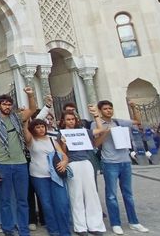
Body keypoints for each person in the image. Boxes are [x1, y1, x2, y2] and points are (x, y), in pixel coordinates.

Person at [92, 100, 149, 235]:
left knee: (128, 194)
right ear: (100, 111)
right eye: (105, 109)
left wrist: (133, 107)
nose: (108, 111)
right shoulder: (97, 124)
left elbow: (137, 122)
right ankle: (115, 223)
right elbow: (95, 143)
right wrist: (106, 132)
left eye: (110, 108)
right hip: (110, 162)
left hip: (125, 161)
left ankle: (134, 221)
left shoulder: (119, 122)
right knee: (111, 195)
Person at [0, 87, 36, 236]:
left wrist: (30, 95)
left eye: (9, 104)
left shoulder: (17, 117)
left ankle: (23, 229)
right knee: (5, 199)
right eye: (4, 104)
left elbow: (33, 109)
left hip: (20, 162)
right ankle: (8, 228)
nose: (7, 107)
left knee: (22, 199)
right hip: (3, 163)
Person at [58, 107, 107, 236]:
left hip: (86, 162)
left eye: (72, 119)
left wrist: (96, 116)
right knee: (76, 195)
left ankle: (95, 225)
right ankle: (80, 226)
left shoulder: (83, 131)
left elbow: (101, 130)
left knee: (91, 193)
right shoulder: (61, 134)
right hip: (72, 163)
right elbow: (62, 153)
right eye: (68, 119)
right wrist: (63, 143)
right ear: (63, 121)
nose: (71, 121)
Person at [24, 118, 71, 236]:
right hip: (39, 177)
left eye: (42, 126)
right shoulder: (31, 141)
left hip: (55, 175)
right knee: (47, 204)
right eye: (37, 127)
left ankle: (65, 231)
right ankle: (53, 230)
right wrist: (25, 121)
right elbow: (26, 134)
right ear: (33, 129)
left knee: (62, 203)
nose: (41, 129)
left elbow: (63, 155)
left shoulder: (52, 140)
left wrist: (64, 162)